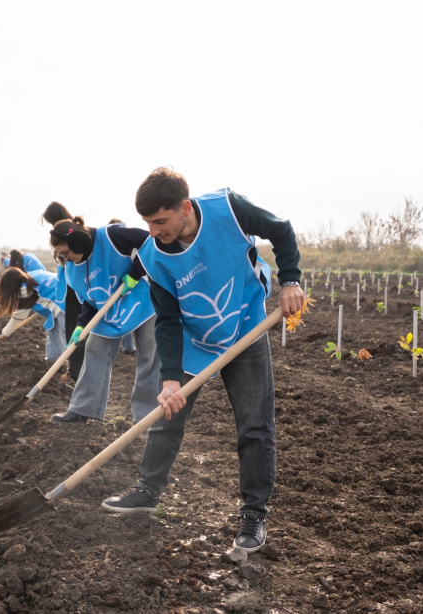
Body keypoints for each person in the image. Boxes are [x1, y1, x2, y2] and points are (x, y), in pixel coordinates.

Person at [101, 167, 304, 555]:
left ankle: (253, 516)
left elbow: (281, 230)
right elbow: (168, 320)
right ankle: (147, 491)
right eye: (148, 223)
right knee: (167, 415)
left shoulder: (228, 208)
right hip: (196, 338)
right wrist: (171, 379)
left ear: (185, 207)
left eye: (160, 221)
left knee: (255, 425)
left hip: (244, 325)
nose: (154, 230)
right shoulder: (152, 257)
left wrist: (290, 280)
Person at [47, 218, 161, 426]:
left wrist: (135, 273)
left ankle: (147, 419)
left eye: (66, 253)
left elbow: (151, 241)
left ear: (79, 242)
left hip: (142, 301)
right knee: (94, 350)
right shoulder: (74, 271)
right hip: (109, 311)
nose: (66, 258)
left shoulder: (112, 236)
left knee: (150, 356)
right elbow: (91, 301)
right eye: (61, 255)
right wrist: (81, 325)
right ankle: (82, 410)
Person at [42, 202, 85, 384]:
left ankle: (76, 372)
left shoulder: (69, 236)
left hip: (74, 288)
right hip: (72, 287)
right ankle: (76, 369)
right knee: (75, 329)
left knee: (75, 329)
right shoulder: (73, 231)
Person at [0, 266, 67, 362]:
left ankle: (75, 370)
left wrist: (5, 333)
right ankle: (53, 360)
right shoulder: (31, 275)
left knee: (68, 335)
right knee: (52, 329)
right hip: (62, 292)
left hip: (64, 301)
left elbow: (18, 317)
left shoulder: (25, 289)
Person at [108, 219, 138, 357]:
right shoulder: (111, 245)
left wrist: (134, 275)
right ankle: (128, 346)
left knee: (124, 316)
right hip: (120, 287)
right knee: (124, 316)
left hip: (134, 285)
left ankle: (128, 345)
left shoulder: (129, 241)